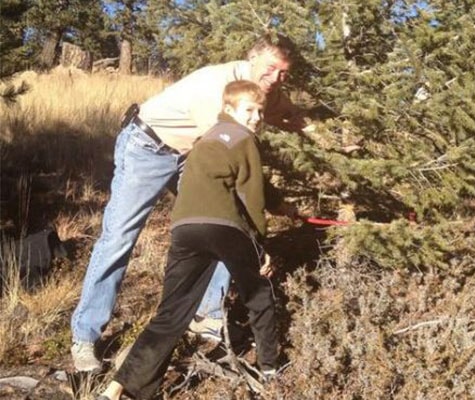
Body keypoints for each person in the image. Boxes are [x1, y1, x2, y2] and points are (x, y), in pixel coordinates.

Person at [71, 33, 306, 372]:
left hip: (192, 154)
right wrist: (274, 203)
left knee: (225, 221)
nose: (276, 78)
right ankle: (85, 335)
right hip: (148, 147)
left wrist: (331, 139)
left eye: (284, 72)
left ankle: (207, 315)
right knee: (119, 238)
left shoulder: (264, 91)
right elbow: (233, 162)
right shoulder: (217, 86)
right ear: (252, 58)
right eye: (271, 68)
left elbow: (293, 116)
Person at [96, 79, 279, 400]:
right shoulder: (245, 139)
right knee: (259, 295)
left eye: (261, 111)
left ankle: (115, 389)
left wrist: (281, 205)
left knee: (170, 314)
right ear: (229, 108)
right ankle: (271, 372)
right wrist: (261, 246)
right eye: (249, 110)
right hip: (225, 226)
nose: (256, 117)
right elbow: (252, 197)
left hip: (184, 229)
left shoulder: (205, 139)